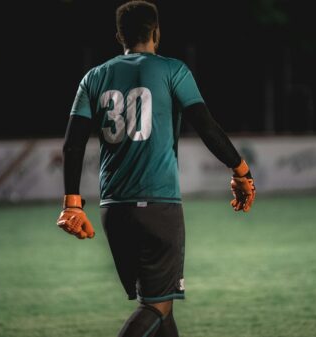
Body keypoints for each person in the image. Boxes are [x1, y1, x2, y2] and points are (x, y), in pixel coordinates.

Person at [55, 1, 255, 336]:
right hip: (159, 205)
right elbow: (206, 128)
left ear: (119, 35)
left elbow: (72, 145)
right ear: (157, 32)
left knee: (161, 305)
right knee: (156, 306)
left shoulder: (93, 77)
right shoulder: (173, 71)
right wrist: (241, 171)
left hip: (114, 209)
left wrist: (72, 203)